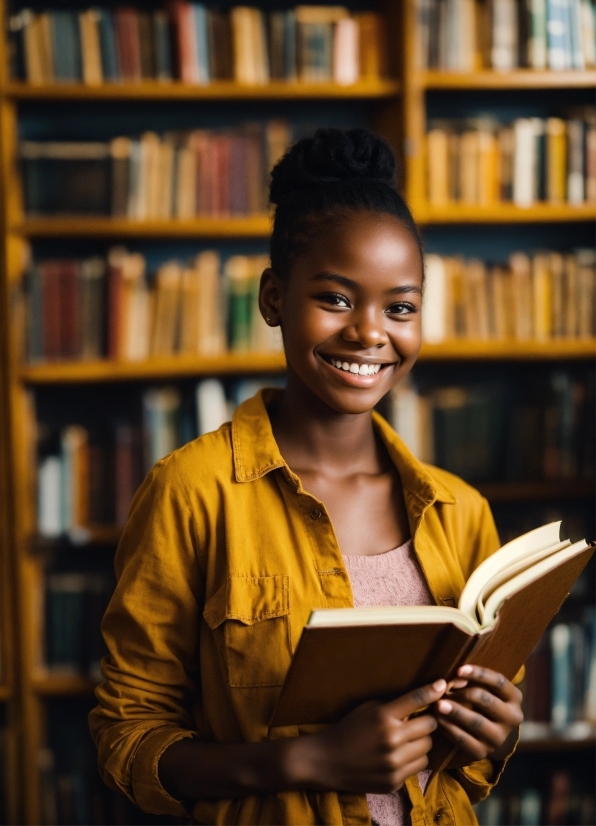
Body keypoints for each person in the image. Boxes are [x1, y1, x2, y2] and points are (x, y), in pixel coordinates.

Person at [89, 128, 523, 826]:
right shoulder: (192, 491)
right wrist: (309, 761)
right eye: (337, 299)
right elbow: (127, 739)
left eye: (400, 307)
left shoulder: (459, 510)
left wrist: (494, 734)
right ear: (273, 299)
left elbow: (467, 767)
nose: (370, 334)